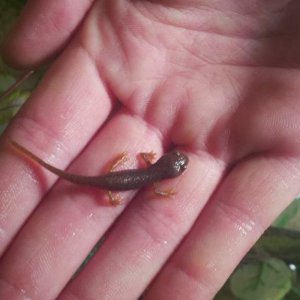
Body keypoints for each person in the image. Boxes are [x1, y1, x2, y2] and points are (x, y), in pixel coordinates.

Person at [1, 1, 300, 299]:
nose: (181, 161)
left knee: (92, 183)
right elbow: (154, 187)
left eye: (179, 164)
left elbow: (149, 170)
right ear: (165, 166)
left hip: (116, 180)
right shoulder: (155, 177)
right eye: (180, 162)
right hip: (114, 181)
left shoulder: (153, 170)